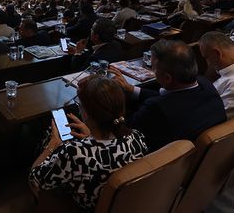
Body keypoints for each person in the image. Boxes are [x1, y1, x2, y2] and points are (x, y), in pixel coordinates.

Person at [29, 76, 148, 211]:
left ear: (86, 113)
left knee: (45, 135)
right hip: (119, 205)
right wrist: (90, 137)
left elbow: (35, 180)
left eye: (79, 104)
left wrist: (52, 145)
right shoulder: (138, 138)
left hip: (80, 206)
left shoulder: (74, 152)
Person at [111, 39, 226, 151]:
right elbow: (170, 99)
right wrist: (131, 89)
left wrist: (111, 100)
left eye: (153, 69)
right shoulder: (206, 85)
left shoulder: (155, 109)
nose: (153, 72)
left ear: (167, 78)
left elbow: (125, 130)